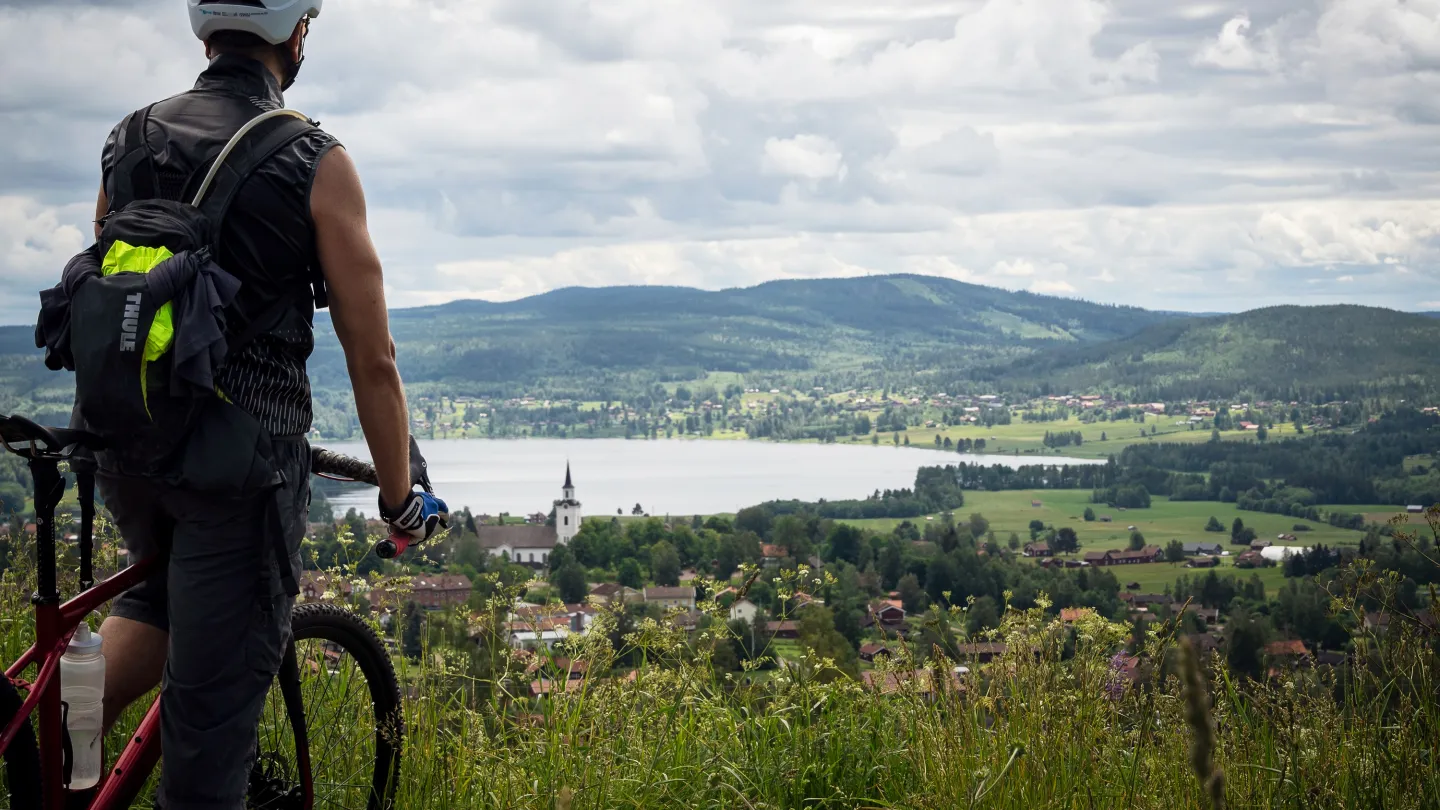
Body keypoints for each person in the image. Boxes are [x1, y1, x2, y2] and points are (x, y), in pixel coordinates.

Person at [86, 2, 446, 807]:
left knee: (159, 603)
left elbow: (114, 296)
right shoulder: (315, 158)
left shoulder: (129, 138)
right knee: (209, 746)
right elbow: (373, 357)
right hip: (241, 469)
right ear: (297, 34)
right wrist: (399, 497)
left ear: (204, 31)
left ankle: (57, 749)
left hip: (130, 447)